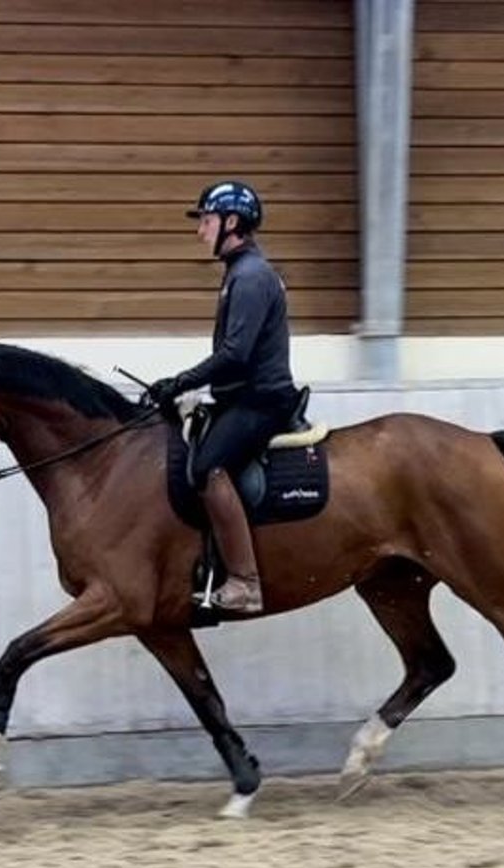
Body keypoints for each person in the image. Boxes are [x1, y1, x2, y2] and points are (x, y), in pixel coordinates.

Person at [146, 181, 299, 614]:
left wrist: (179, 381)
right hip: (242, 396)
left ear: (232, 223)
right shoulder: (241, 272)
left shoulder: (250, 277)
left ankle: (246, 582)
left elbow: (235, 355)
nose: (200, 231)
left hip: (262, 401)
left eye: (206, 221)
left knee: (207, 467)